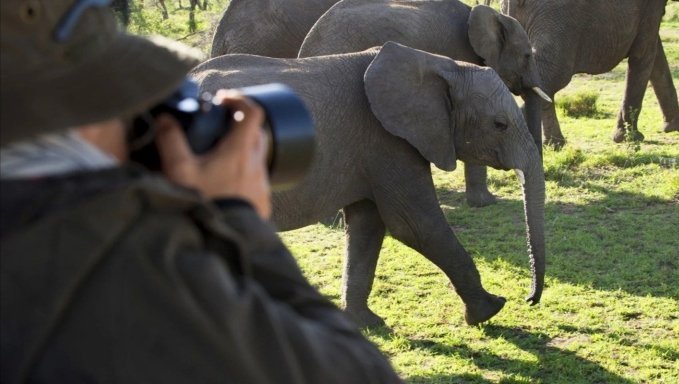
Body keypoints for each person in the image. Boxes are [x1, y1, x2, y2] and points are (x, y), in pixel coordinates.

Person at [0, 0, 403, 383]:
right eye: (121, 96)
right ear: (75, 108)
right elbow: (355, 372)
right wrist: (235, 222)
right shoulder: (118, 270)